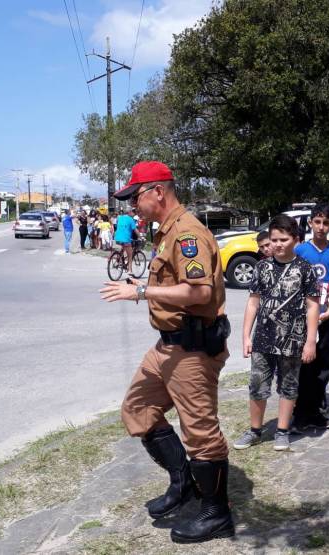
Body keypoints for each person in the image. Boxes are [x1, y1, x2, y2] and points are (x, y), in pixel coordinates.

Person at [100, 161, 234, 544]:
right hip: (168, 345)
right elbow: (177, 284)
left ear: (158, 191)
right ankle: (185, 482)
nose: (132, 207)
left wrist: (141, 292)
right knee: (138, 410)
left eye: (135, 198)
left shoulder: (187, 232)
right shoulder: (168, 231)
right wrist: (146, 284)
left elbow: (200, 293)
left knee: (202, 436)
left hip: (192, 351)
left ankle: (216, 513)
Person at [235, 215, 319, 452]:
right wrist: (246, 335)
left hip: (293, 338)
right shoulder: (262, 267)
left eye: (283, 239)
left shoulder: (306, 269)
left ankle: (282, 431)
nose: (278, 244)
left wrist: (310, 341)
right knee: (257, 384)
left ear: (295, 239)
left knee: (289, 386)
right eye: (274, 239)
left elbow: (313, 306)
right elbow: (253, 303)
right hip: (263, 337)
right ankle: (254, 430)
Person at [292, 204, 329, 430]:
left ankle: (315, 410)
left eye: (326, 223)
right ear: (311, 223)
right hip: (304, 318)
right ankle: (301, 413)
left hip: (326, 316)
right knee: (305, 365)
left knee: (324, 363)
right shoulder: (301, 251)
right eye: (317, 222)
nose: (321, 227)